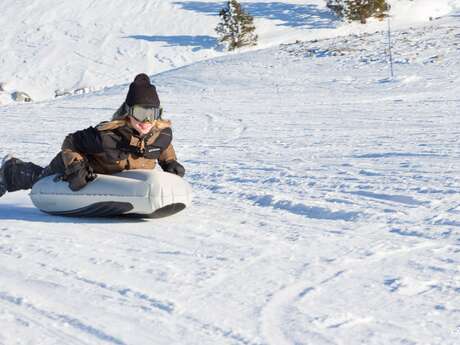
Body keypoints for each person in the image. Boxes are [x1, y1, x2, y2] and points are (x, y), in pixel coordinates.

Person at [0, 73, 185, 197]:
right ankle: (10, 169)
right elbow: (70, 142)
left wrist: (170, 162)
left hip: (115, 183)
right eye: (140, 113)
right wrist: (76, 166)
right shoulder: (105, 136)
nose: (145, 121)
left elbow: (163, 146)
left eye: (151, 114)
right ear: (128, 112)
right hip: (74, 169)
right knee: (39, 179)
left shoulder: (161, 135)